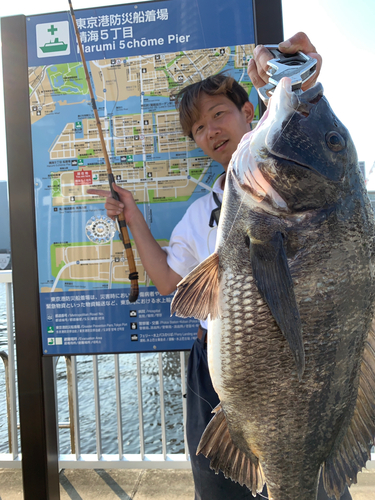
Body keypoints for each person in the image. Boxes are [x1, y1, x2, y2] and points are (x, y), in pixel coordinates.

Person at [88, 33, 351, 500]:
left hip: (309, 368)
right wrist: (132, 215)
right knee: (223, 490)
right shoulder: (201, 211)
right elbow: (172, 282)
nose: (210, 131)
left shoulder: (292, 181)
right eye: (198, 129)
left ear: (251, 113)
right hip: (225, 368)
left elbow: (295, 123)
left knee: (312, 476)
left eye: (219, 114)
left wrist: (290, 77)